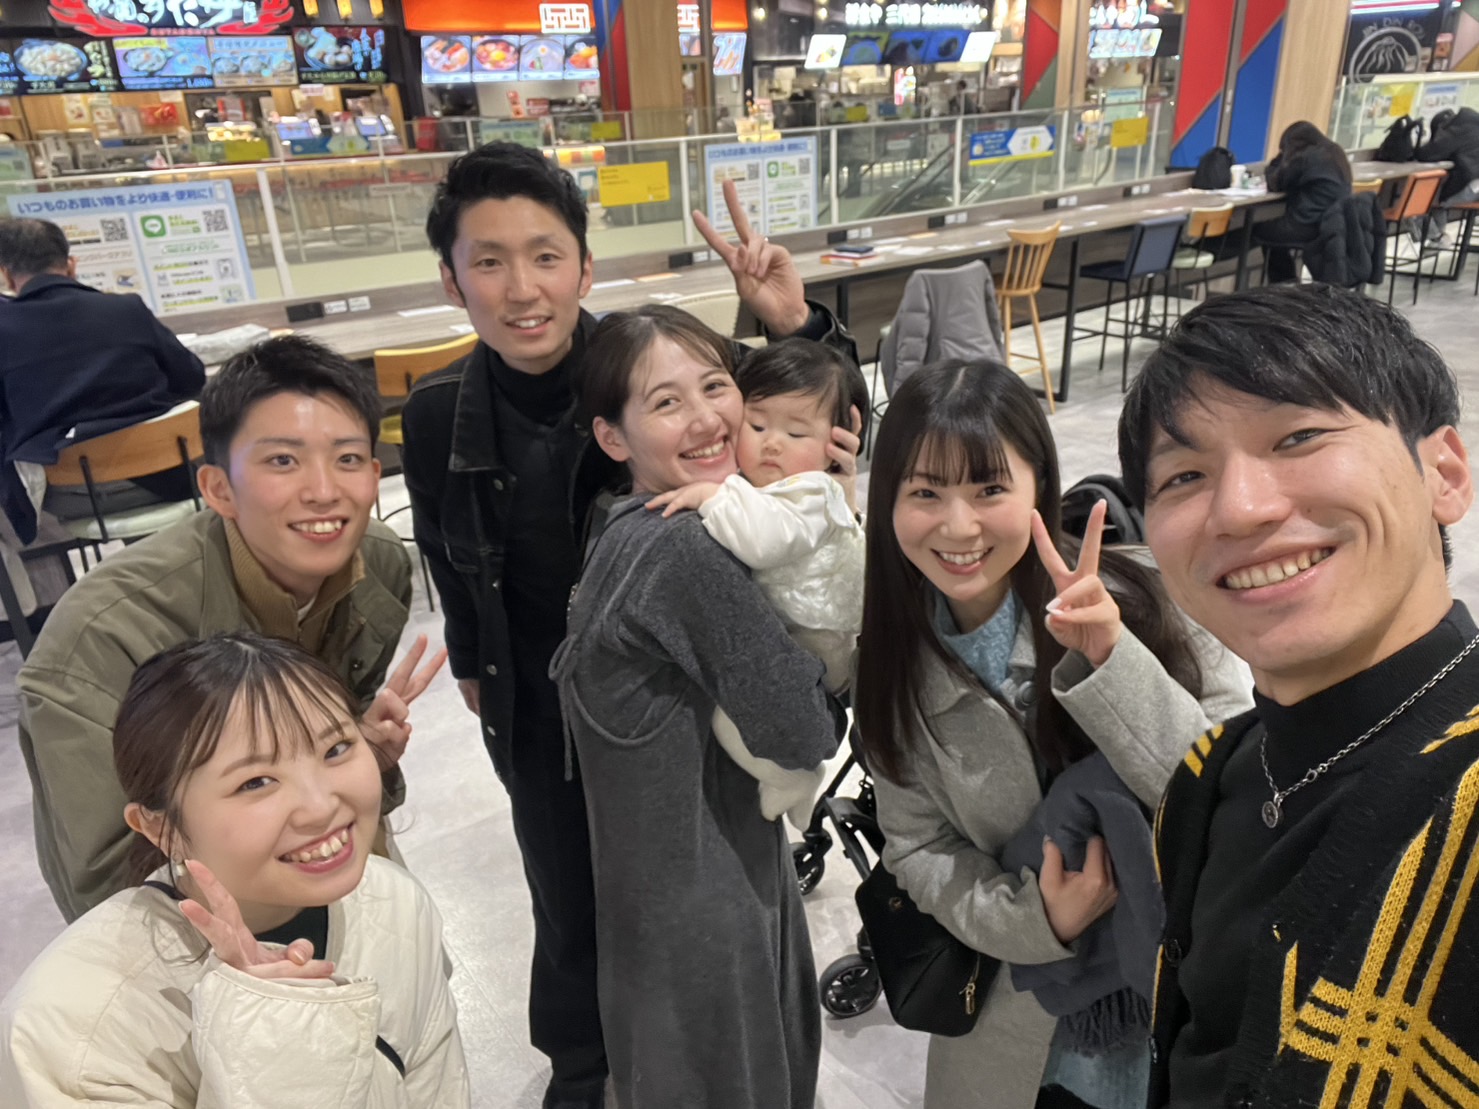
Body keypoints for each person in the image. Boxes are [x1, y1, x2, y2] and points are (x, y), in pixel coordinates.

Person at [400, 141, 856, 1109]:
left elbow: (811, 429)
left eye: (545, 255)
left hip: (679, 694)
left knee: (697, 896)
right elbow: (445, 548)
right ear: (451, 279)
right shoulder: (439, 412)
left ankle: (685, 1063)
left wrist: (796, 323)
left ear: (583, 267)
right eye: (489, 261)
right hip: (542, 704)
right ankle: (585, 1074)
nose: (523, 288)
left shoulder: (647, 364)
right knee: (569, 906)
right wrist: (477, 671)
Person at [1115, 284, 1479, 1108]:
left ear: (1443, 473)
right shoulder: (1211, 773)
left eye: (1298, 436)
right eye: (1183, 475)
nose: (1239, 510)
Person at [854, 360, 1250, 1109]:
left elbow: (1235, 796)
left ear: (1039, 485)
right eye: (925, 492)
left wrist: (1110, 657)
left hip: (1176, 1002)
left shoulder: (1151, 596)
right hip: (1012, 1015)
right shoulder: (892, 667)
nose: (958, 526)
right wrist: (1036, 918)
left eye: (989, 489)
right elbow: (916, 846)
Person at [17, 335, 442, 922]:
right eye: (283, 461)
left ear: (374, 473)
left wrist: (361, 750)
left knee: (406, 946)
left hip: (328, 857)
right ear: (218, 488)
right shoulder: (103, 640)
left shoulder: (378, 563)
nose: (324, 492)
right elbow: (110, 884)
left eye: (346, 459)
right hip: (201, 920)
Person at [551, 305, 847, 1109]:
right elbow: (802, 730)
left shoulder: (623, 519)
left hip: (651, 896)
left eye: (715, 386)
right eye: (665, 402)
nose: (707, 418)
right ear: (612, 436)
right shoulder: (685, 546)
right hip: (710, 913)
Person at [1, 633, 470, 1106]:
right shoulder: (70, 1034)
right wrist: (266, 1034)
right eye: (256, 782)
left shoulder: (394, 902)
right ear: (161, 827)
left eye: (335, 749)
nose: (321, 806)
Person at [646, 337, 869, 826]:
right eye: (758, 424)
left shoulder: (810, 491)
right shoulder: (772, 485)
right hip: (800, 632)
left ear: (835, 444)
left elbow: (762, 542)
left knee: (729, 717)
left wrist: (711, 495)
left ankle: (793, 778)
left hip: (814, 644)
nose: (772, 443)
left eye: (796, 432)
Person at [0, 217, 206, 619]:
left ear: (7, 275)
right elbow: (191, 377)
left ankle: (60, 616)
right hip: (173, 476)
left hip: (77, 496)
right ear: (71, 265)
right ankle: (176, 592)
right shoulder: (126, 309)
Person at [1253, 121, 1352, 283]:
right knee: (1275, 233)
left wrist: (1280, 159)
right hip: (1334, 224)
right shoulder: (1336, 151)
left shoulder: (1305, 157)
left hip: (1309, 225)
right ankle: (1286, 283)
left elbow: (1275, 183)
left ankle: (1284, 282)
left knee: (1259, 231)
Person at [1415, 106, 1479, 239]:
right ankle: (1438, 238)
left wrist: (1418, 146)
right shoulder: (1473, 125)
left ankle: (1437, 238)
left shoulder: (1457, 130)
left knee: (1414, 204)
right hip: (1475, 190)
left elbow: (1428, 154)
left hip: (1470, 188)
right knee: (1439, 199)